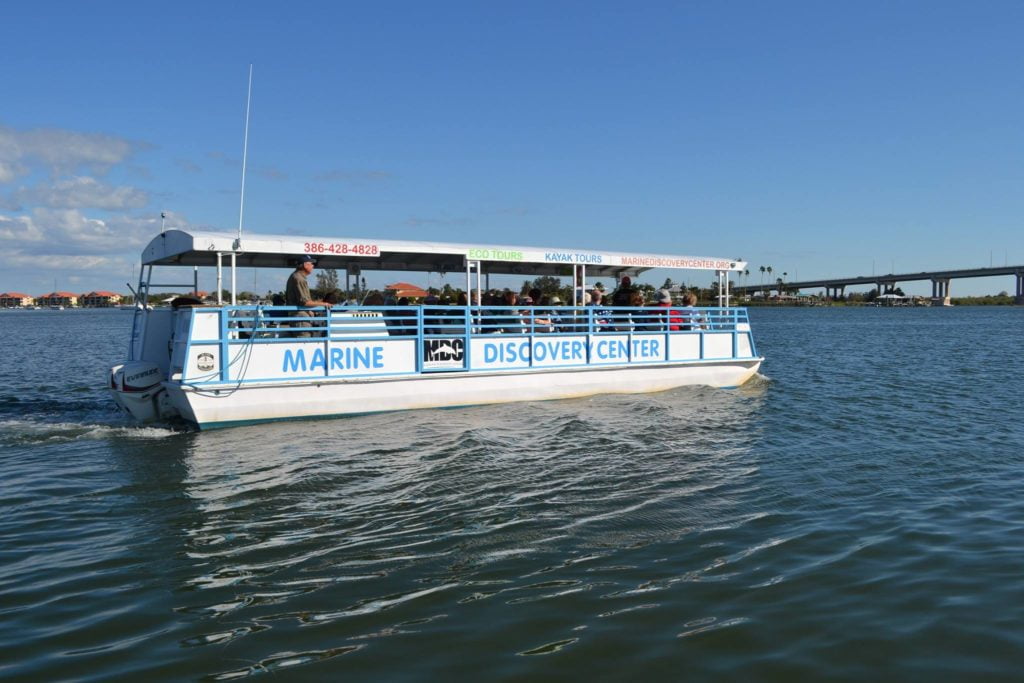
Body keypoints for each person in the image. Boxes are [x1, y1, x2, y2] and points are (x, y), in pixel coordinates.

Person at [284, 254, 328, 337]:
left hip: (299, 317)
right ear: (305, 265)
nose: (313, 266)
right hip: (301, 319)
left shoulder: (297, 276)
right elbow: (305, 302)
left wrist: (310, 310)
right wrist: (324, 304)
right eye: (311, 264)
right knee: (304, 342)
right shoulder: (299, 278)